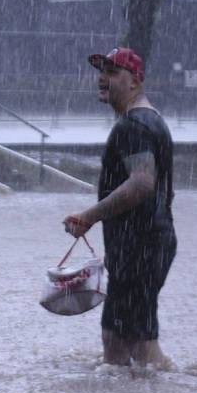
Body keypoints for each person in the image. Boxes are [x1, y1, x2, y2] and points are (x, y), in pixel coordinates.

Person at [62, 47, 175, 371]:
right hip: (148, 244)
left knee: (124, 343)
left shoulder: (133, 127)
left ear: (135, 83)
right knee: (132, 340)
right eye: (102, 70)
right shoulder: (152, 121)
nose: (102, 78)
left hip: (140, 246)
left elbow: (142, 183)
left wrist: (88, 216)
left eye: (113, 72)